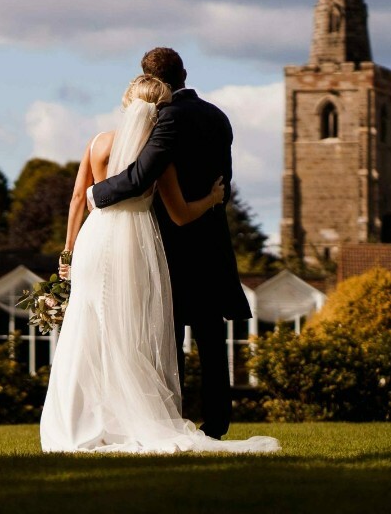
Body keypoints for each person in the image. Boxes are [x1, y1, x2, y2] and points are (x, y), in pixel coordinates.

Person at [40, 74, 279, 455]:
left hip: (93, 240)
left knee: (85, 327)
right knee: (130, 331)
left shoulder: (98, 143)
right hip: (132, 245)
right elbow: (182, 215)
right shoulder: (160, 159)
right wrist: (213, 198)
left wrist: (67, 251)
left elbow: (75, 199)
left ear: (126, 102)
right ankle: (128, 415)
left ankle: (75, 420)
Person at [89, 47, 250, 440]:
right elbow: (222, 183)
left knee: (168, 333)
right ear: (185, 73)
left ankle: (171, 417)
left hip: (171, 242)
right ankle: (216, 422)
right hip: (210, 237)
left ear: (153, 81)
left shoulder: (166, 118)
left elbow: (142, 176)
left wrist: (96, 195)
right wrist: (210, 203)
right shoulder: (216, 116)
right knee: (212, 337)